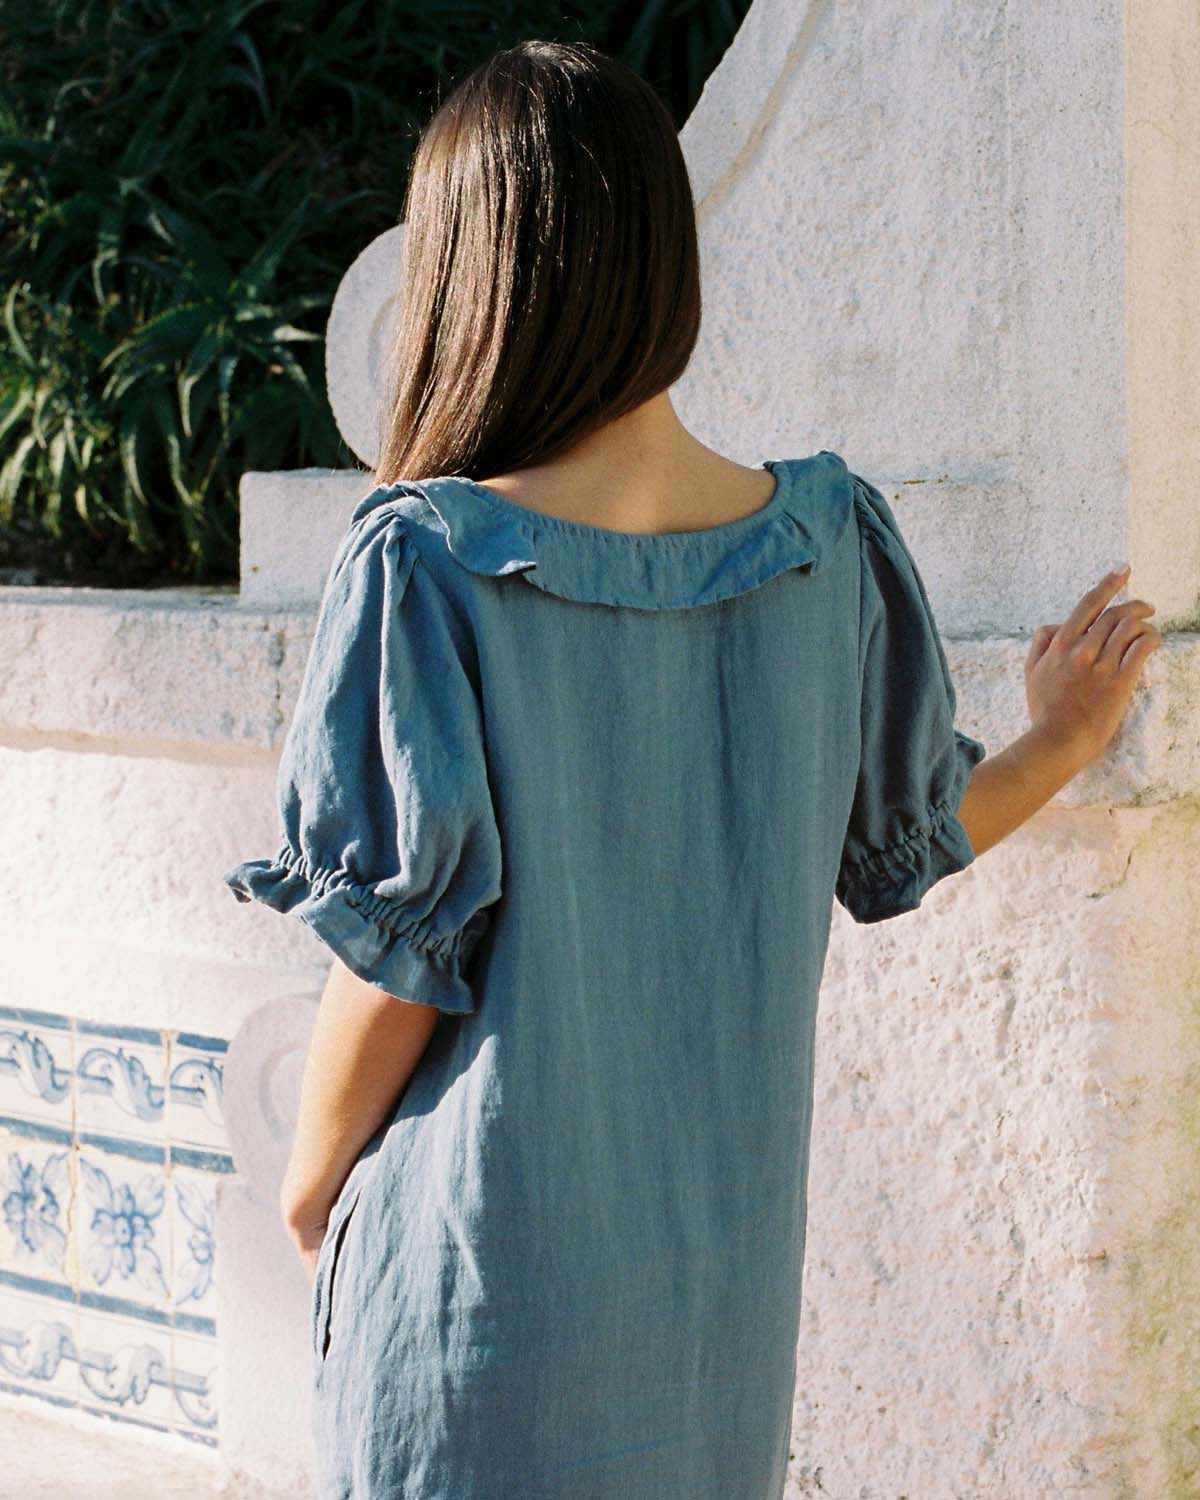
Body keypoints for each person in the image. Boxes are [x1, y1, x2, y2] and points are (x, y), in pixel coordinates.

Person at [222, 37, 1162, 1500]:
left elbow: (398, 958)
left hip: (471, 1315)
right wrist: (1061, 737)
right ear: (666, 260)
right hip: (710, 1334)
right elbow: (905, 836)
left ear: (474, 279)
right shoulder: (823, 545)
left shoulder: (430, 564)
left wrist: (307, 1181)